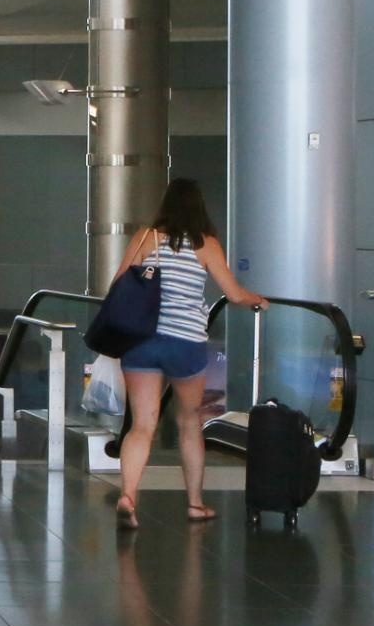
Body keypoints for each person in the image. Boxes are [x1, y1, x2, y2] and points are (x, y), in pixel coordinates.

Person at [111, 177, 264, 530]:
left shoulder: (146, 237)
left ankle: (128, 496)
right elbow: (235, 294)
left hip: (142, 339)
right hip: (185, 342)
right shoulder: (205, 244)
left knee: (142, 425)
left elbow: (118, 283)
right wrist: (258, 300)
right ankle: (195, 504)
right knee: (189, 423)